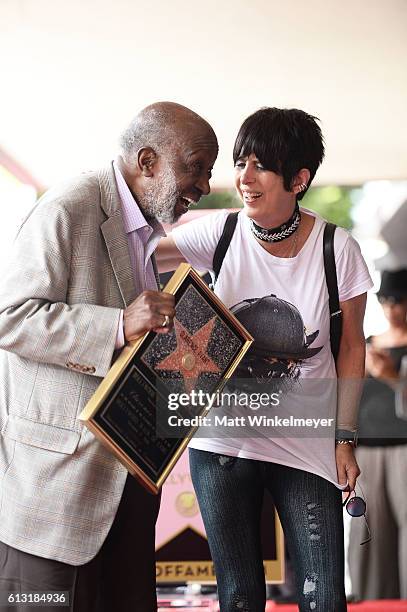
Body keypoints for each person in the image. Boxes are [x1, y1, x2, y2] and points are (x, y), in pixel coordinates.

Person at [0, 101, 218, 612]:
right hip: (54, 493)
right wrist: (118, 324)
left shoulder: (147, 227)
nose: (205, 185)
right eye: (195, 168)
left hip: (128, 481)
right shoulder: (66, 208)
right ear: (148, 162)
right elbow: (10, 317)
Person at [157, 107, 373, 611]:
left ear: (299, 179)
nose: (243, 179)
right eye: (240, 163)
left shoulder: (336, 249)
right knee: (238, 595)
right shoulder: (219, 234)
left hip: (306, 443)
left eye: (260, 166)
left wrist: (344, 439)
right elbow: (141, 259)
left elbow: (352, 347)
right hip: (221, 445)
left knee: (323, 595)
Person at [348, 268, 407, 600]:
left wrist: (394, 378)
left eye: (398, 300)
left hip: (404, 448)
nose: (391, 308)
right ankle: (371, 602)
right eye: (385, 300)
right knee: (368, 531)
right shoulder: (367, 346)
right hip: (367, 449)